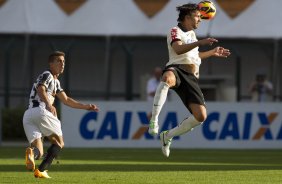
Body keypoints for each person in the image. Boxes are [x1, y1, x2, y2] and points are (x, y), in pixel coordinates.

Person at [148, 3, 231, 157]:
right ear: (187, 17)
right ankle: (154, 120)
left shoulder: (192, 35)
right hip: (177, 69)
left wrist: (212, 52)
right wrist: (201, 42)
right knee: (167, 78)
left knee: (201, 116)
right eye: (197, 16)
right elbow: (178, 49)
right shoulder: (175, 31)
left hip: (191, 78)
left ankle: (168, 136)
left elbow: (194, 57)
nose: (200, 19)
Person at [23, 51, 99, 178]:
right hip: (42, 111)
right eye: (58, 61)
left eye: (63, 61)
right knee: (59, 143)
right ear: (50, 63)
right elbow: (40, 88)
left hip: (29, 115)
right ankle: (41, 171)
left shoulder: (56, 82)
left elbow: (67, 100)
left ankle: (32, 154)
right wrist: (48, 103)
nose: (62, 63)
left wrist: (86, 107)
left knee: (39, 151)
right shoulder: (47, 75)